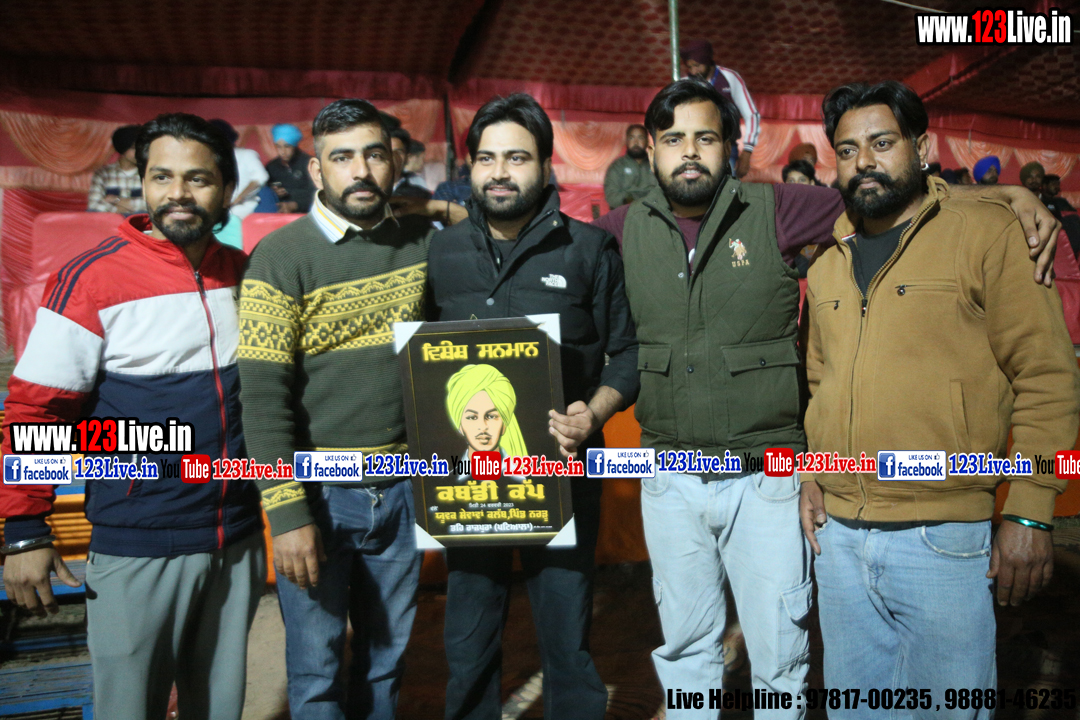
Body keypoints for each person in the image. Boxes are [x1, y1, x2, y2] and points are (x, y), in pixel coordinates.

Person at [590, 78, 1060, 720]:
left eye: (706, 137)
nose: (690, 151)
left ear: (731, 147)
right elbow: (820, 374)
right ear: (649, 149)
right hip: (698, 489)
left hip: (788, 487)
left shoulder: (779, 210)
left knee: (783, 659)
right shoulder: (625, 230)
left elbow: (892, 193)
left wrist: (1007, 193)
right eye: (674, 139)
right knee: (689, 650)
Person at [799, 80, 1079, 717]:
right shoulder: (825, 261)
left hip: (942, 541)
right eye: (847, 150)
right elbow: (821, 382)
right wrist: (814, 470)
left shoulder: (987, 234)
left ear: (922, 148)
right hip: (838, 543)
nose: (863, 161)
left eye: (881, 143)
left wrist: (1032, 511)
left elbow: (1046, 377)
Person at [1, 113, 265, 720]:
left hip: (236, 535)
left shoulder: (243, 273)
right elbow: (38, 409)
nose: (178, 193)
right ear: (142, 183)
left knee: (219, 708)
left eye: (198, 178)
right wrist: (26, 530)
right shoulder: (91, 279)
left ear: (227, 188)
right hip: (138, 541)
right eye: (162, 177)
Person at [424, 93, 639, 720]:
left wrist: (593, 413)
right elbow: (418, 361)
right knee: (467, 645)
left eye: (516, 158)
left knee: (567, 641)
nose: (499, 172)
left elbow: (628, 354)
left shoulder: (589, 250)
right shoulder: (440, 253)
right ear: (470, 167)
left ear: (546, 165)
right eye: (486, 158)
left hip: (563, 474)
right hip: (466, 483)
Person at [238, 98, 432, 720]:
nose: (361, 171)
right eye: (342, 157)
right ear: (317, 170)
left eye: (374, 155)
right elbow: (262, 400)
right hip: (320, 493)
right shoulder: (281, 257)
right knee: (316, 669)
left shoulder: (423, 245)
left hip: (403, 489)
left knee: (386, 660)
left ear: (394, 162)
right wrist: (287, 513)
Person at [679, 39, 760, 178]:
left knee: (726, 188)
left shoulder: (729, 78)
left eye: (697, 65)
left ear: (707, 60)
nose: (694, 71)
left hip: (726, 148)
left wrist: (747, 151)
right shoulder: (685, 83)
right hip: (695, 149)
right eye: (690, 67)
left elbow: (751, 115)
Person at [87, 124, 146, 215]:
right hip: (110, 220)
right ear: (123, 148)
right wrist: (116, 210)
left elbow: (153, 204)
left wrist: (117, 200)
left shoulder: (148, 173)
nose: (139, 152)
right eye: (134, 148)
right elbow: (94, 205)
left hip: (137, 220)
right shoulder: (103, 174)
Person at [266, 123, 317, 213]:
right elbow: (265, 193)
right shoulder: (271, 167)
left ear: (294, 145)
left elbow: (318, 194)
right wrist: (273, 193)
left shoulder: (309, 164)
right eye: (278, 146)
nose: (283, 151)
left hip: (308, 214)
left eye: (287, 146)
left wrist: (295, 205)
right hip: (280, 214)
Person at [604, 124, 657, 209]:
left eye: (640, 138)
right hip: (625, 212)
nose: (636, 142)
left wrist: (634, 198)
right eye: (632, 138)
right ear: (626, 141)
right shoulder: (617, 166)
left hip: (652, 211)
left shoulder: (656, 165)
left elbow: (664, 194)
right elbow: (612, 198)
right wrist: (629, 199)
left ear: (647, 141)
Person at [390, 127, 431, 199]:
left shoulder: (420, 196)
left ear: (407, 157)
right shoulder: (369, 191)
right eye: (388, 151)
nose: (393, 157)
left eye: (398, 152)